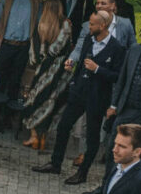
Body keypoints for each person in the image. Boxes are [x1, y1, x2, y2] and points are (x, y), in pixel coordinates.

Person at [33, 10, 126, 182]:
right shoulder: (89, 41)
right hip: (79, 92)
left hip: (97, 98)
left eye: (92, 24)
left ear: (103, 25)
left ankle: (82, 173)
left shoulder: (116, 48)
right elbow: (81, 64)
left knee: (91, 136)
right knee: (63, 126)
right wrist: (73, 75)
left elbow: (118, 76)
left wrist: (97, 69)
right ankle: (55, 163)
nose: (88, 27)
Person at [89, 17, 141, 194]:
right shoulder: (134, 50)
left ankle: (123, 190)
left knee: (134, 154)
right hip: (125, 108)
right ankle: (105, 187)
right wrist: (113, 104)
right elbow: (122, 79)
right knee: (113, 149)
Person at [21, 0, 74, 152]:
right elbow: (61, 48)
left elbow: (36, 54)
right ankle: (43, 138)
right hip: (61, 70)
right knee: (52, 102)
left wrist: (40, 61)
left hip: (44, 70)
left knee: (35, 100)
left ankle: (34, 136)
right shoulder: (66, 25)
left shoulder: (41, 25)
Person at [0, 0, 41, 116]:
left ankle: (8, 117)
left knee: (15, 81)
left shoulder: (37, 2)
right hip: (6, 44)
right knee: (0, 79)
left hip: (23, 47)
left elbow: (39, 25)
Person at [65, 0, 135, 62]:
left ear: (113, 6)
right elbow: (78, 49)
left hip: (116, 69)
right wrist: (71, 61)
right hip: (91, 68)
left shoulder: (125, 23)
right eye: (97, 3)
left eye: (103, 3)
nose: (99, 6)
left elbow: (133, 48)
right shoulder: (87, 26)